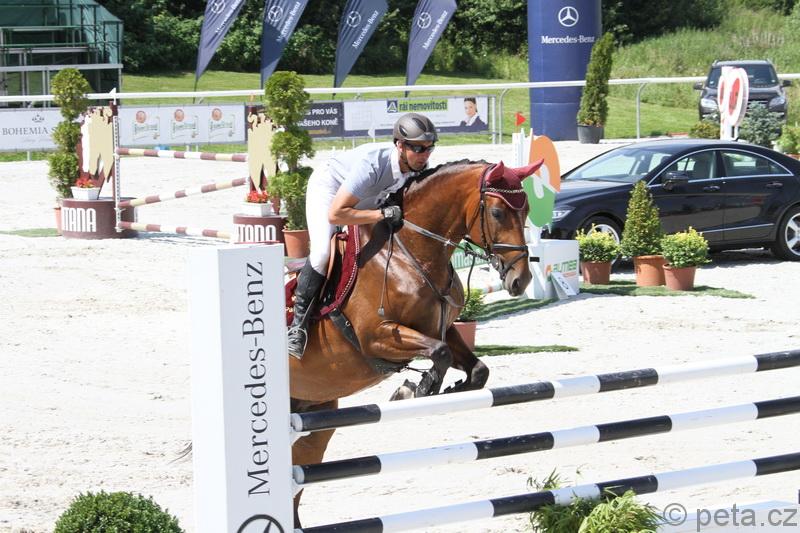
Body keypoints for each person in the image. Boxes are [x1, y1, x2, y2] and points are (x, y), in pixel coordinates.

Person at [287, 112, 439, 359]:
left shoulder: (417, 169)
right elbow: (336, 214)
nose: (425, 155)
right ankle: (298, 326)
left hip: (368, 197)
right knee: (323, 252)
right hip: (331, 190)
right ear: (400, 145)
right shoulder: (374, 164)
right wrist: (381, 214)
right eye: (418, 148)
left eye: (429, 148)